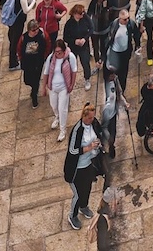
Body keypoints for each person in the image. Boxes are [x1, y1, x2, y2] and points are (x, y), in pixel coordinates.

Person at [64, 102, 103, 231]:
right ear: (84, 116)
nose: (92, 119)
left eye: (93, 117)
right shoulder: (77, 130)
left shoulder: (94, 123)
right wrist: (89, 147)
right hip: (76, 168)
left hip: (89, 163)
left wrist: (98, 142)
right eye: (90, 118)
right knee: (78, 194)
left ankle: (83, 206)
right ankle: (72, 215)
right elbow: (72, 151)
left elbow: (99, 133)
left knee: (87, 188)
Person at [42, 37, 77, 141]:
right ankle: (57, 117)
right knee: (54, 105)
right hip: (52, 87)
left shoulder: (70, 57)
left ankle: (63, 130)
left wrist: (71, 85)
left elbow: (74, 72)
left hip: (64, 88)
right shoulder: (50, 58)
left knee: (63, 109)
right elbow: (46, 73)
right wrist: (44, 87)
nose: (57, 54)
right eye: (56, 52)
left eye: (59, 52)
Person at [6, 0, 38, 71]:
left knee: (12, 39)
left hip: (12, 20)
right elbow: (26, 10)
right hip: (18, 21)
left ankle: (13, 59)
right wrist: (33, 1)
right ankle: (13, 63)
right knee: (15, 41)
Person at [18, 17, 48, 108]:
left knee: (36, 80)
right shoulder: (24, 37)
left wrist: (45, 56)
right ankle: (33, 88)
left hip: (38, 61)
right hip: (27, 62)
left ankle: (34, 97)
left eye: (37, 29)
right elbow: (19, 48)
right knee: (27, 80)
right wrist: (20, 58)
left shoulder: (42, 35)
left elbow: (47, 45)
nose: (36, 31)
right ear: (29, 30)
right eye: (33, 30)